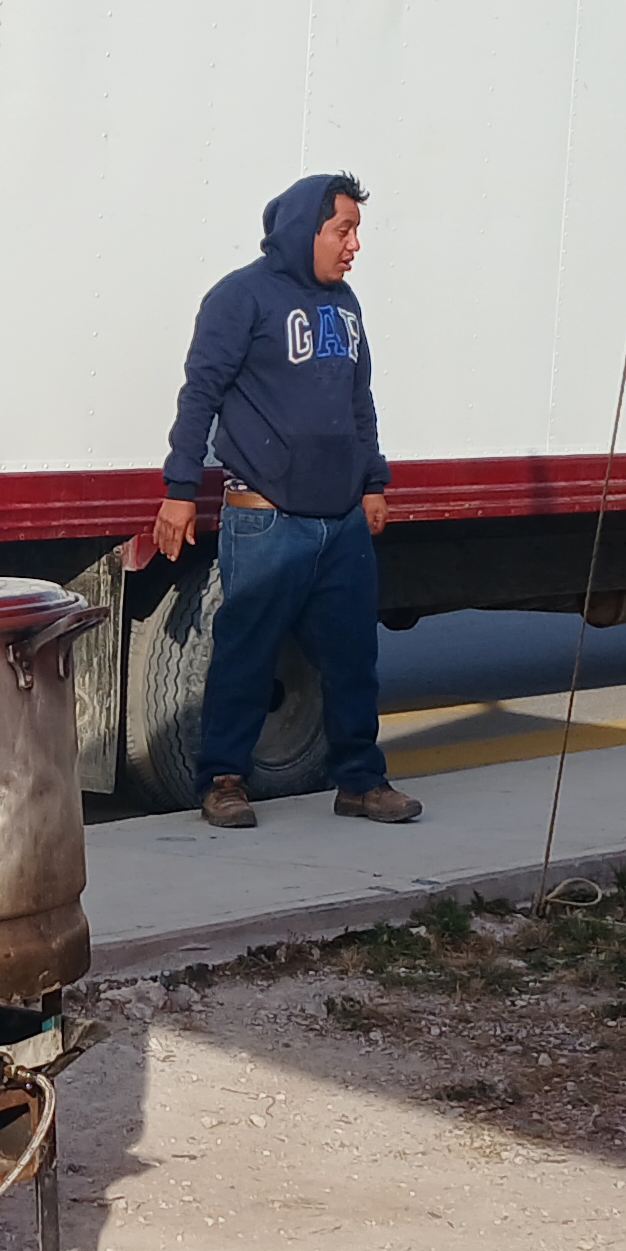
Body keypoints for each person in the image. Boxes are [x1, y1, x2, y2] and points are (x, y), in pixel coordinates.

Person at [149, 170, 421, 829]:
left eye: (357, 231)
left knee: (353, 656)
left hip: (340, 523)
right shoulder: (240, 298)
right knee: (247, 651)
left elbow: (359, 402)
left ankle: (360, 780)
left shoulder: (346, 305)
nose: (354, 244)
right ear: (307, 230)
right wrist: (180, 491)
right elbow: (200, 397)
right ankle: (223, 781)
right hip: (266, 518)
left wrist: (373, 480)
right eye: (343, 230)